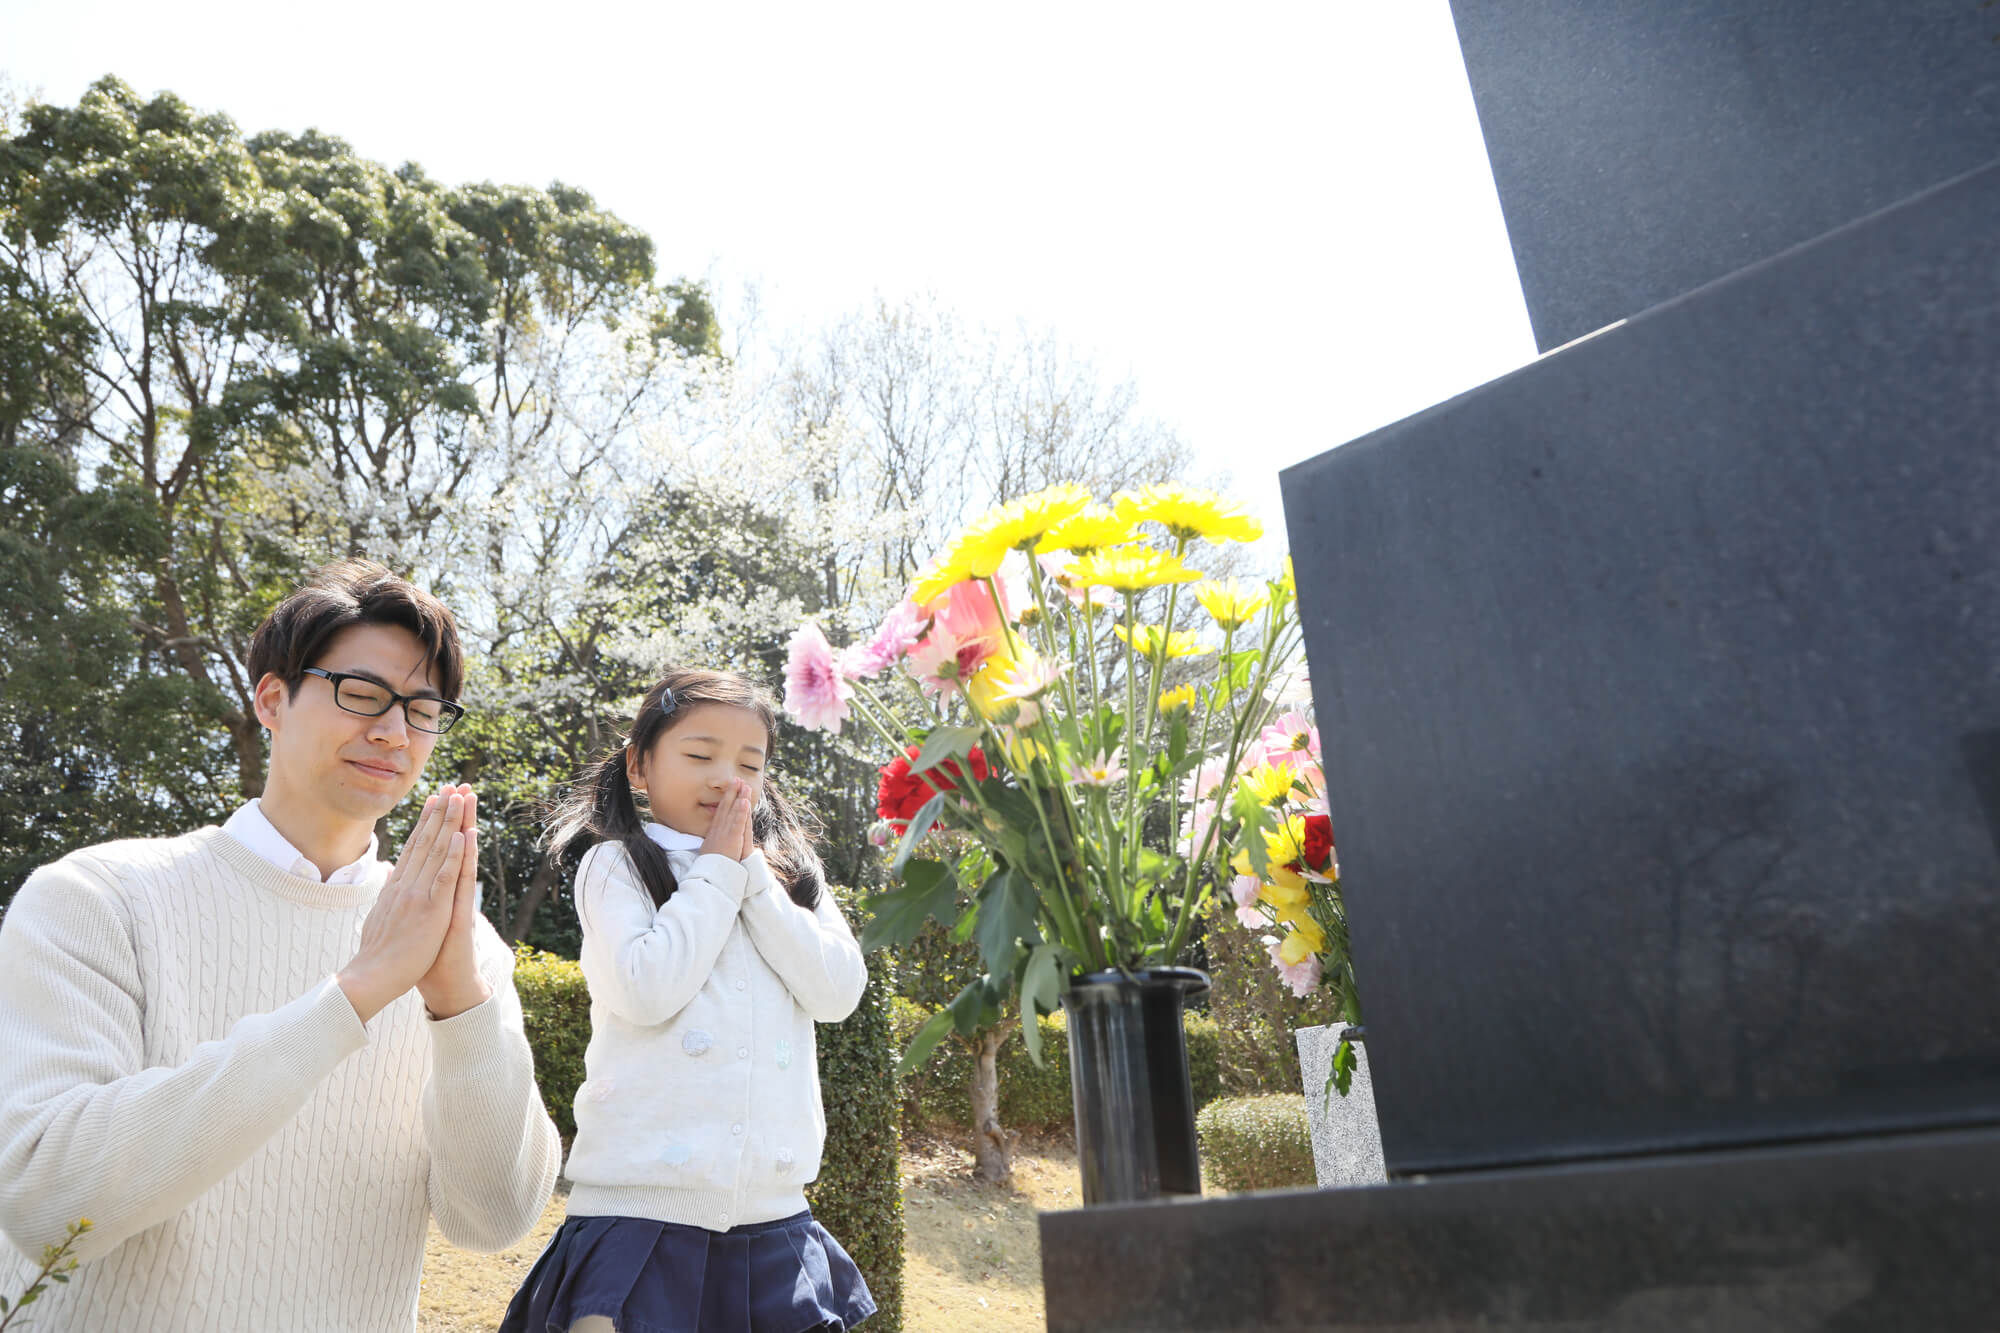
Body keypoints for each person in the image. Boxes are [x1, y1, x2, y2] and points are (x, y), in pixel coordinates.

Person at [0, 559, 562, 1331]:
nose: (394, 731)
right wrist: (356, 991)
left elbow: (492, 1220)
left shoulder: (457, 945)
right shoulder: (99, 897)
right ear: (272, 699)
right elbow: (48, 1199)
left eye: (423, 710)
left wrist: (461, 1001)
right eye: (362, 695)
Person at [500, 667, 874, 1333]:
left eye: (748, 762)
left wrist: (752, 876)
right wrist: (720, 871)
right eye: (700, 754)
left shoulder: (789, 877)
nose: (725, 777)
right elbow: (646, 988)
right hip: (638, 1211)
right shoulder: (616, 863)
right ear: (639, 766)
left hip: (772, 1216)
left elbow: (838, 991)